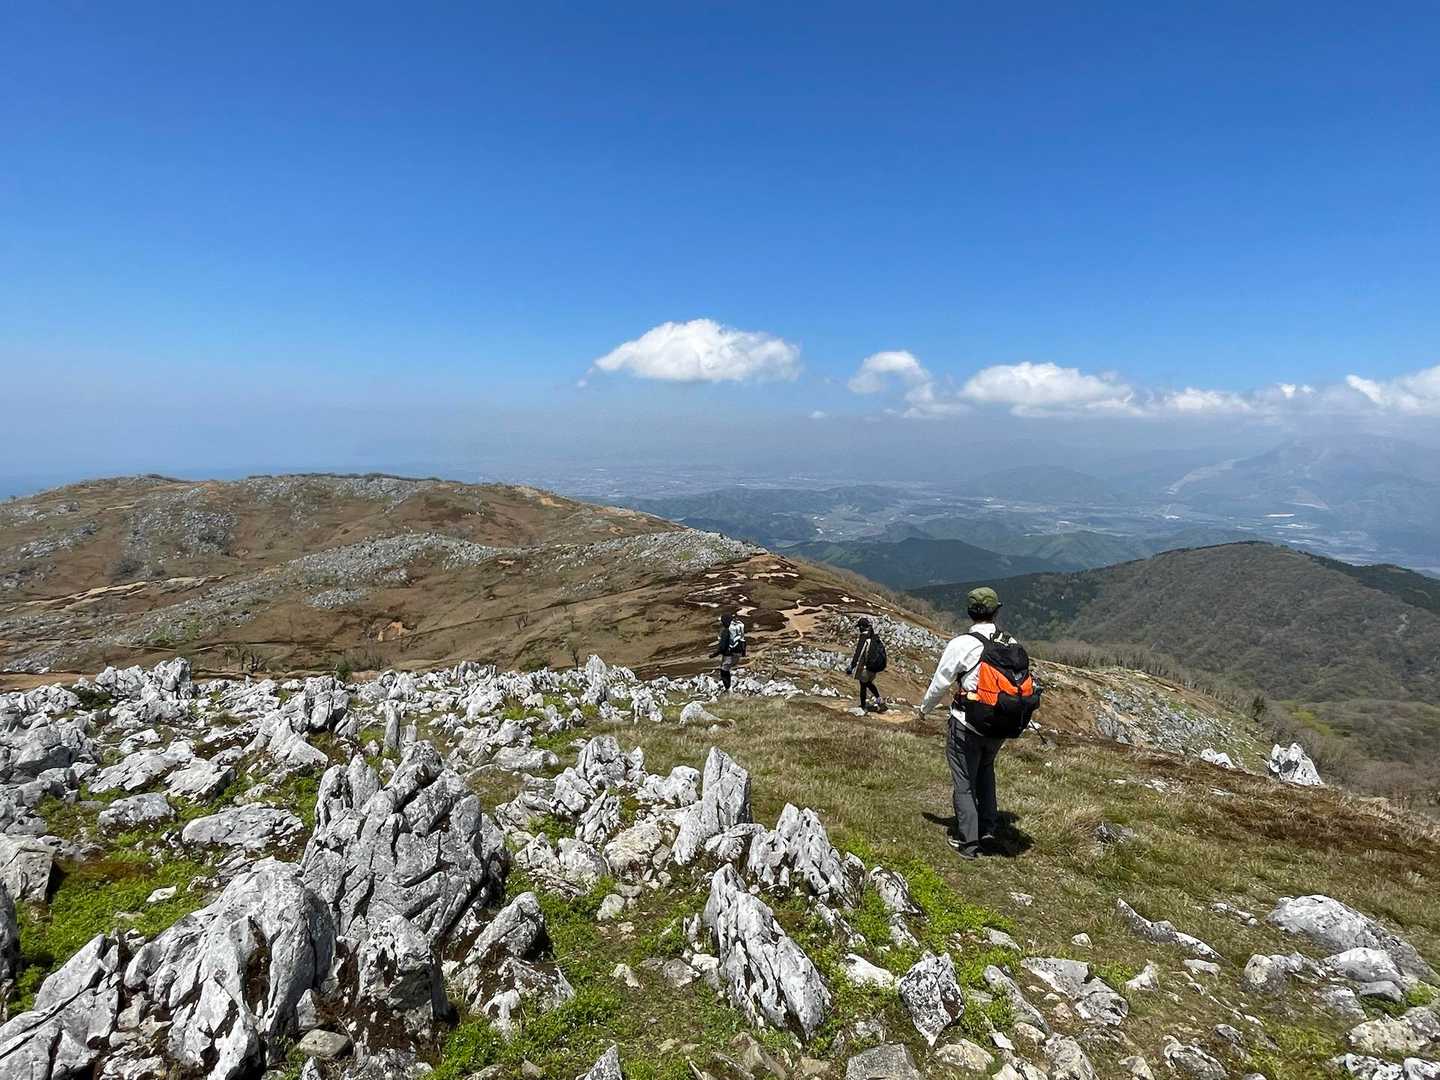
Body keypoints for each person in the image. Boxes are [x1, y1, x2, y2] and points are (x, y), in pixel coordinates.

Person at [917, 586, 1008, 860]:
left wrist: (924, 709)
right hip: (1000, 725)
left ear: (969, 612)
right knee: (986, 771)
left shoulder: (962, 644)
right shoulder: (1009, 642)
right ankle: (989, 828)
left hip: (966, 723)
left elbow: (940, 682)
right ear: (996, 611)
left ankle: (968, 842)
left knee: (964, 781)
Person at [845, 617, 887, 712]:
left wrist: (852, 666)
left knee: (863, 685)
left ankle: (863, 707)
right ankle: (879, 701)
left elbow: (858, 653)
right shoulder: (873, 636)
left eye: (859, 627)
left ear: (862, 627)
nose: (859, 629)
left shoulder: (864, 637)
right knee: (868, 683)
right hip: (874, 666)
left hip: (866, 667)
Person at [711, 612, 745, 692]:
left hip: (728, 656)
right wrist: (743, 653)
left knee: (724, 671)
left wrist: (714, 654)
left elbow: (722, 647)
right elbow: (743, 641)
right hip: (737, 654)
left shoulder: (725, 631)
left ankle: (728, 689)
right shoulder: (737, 630)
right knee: (727, 669)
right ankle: (730, 687)